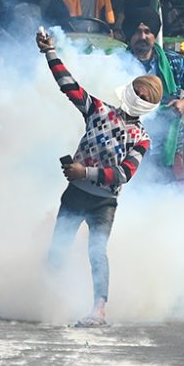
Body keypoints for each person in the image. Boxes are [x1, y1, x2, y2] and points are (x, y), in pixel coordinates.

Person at [38, 30, 160, 328]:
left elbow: (123, 174)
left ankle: (99, 310)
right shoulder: (99, 110)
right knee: (58, 250)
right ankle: (50, 303)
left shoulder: (142, 138)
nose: (141, 95)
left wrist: (84, 172)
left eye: (147, 96)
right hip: (75, 194)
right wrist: (50, 52)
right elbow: (69, 86)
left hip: (104, 201)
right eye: (140, 91)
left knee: (97, 252)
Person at [123, 7, 184, 181]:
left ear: (154, 35)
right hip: (128, 147)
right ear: (129, 35)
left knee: (176, 194)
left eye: (147, 32)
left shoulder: (173, 61)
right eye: (137, 32)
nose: (143, 37)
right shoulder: (117, 63)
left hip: (169, 144)